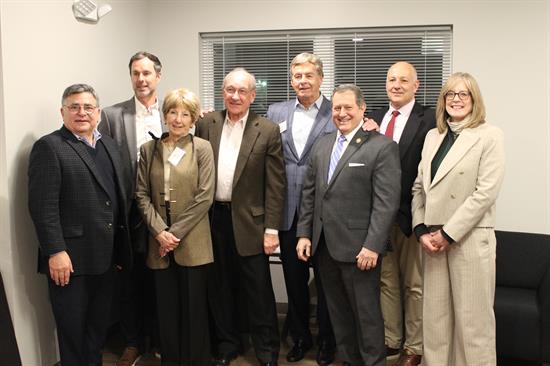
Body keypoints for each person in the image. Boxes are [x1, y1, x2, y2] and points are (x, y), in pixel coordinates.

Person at [297, 84, 401, 366]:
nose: (341, 114)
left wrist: (372, 246)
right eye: (337, 108)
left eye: (348, 108)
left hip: (360, 251)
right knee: (339, 315)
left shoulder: (381, 147)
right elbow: (310, 194)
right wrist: (304, 234)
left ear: (362, 108)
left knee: (366, 317)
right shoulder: (322, 145)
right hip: (324, 248)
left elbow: (386, 204)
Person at [28, 84, 132, 366]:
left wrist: (122, 250)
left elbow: (119, 198)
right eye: (74, 107)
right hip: (69, 262)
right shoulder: (49, 147)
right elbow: (42, 207)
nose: (81, 112)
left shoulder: (109, 144)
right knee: (72, 333)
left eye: (88, 107)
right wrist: (55, 251)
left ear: (98, 112)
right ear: (62, 112)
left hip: (106, 259)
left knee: (97, 331)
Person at [411, 72, 505, 366]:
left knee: (473, 323)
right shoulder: (433, 136)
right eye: (450, 94)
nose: (456, 100)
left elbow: (485, 193)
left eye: (463, 94)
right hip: (432, 241)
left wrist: (448, 233)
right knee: (436, 322)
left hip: (469, 238)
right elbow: (419, 187)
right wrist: (421, 229)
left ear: (474, 100)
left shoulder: (490, 135)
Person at [195, 67, 285, 366]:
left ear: (252, 95)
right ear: (223, 92)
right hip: (213, 220)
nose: (235, 96)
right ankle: (228, 344)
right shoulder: (207, 123)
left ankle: (267, 350)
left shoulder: (267, 130)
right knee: (219, 288)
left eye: (241, 91)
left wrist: (272, 229)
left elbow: (275, 185)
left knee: (258, 291)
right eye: (230, 90)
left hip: (252, 223)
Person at [135, 88, 215, 365]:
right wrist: (160, 232)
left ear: (193, 119)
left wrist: (175, 234)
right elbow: (141, 194)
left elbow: (205, 196)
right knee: (166, 308)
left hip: (192, 238)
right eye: (173, 112)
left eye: (185, 114)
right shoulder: (149, 149)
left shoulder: (202, 148)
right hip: (158, 239)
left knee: (194, 308)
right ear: (165, 114)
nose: (178, 119)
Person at [265, 52, 336, 365]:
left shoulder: (338, 110)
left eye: (309, 75)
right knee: (293, 281)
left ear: (320, 77)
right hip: (287, 210)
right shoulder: (276, 111)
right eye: (297, 76)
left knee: (325, 282)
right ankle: (299, 337)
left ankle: (327, 341)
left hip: (323, 212)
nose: (303, 81)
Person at [367, 61, 435, 366]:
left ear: (416, 85)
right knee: (386, 280)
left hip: (412, 215)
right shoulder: (375, 118)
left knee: (415, 284)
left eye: (403, 80)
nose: (396, 85)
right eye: (391, 79)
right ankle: (391, 340)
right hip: (377, 216)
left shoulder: (431, 118)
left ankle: (414, 346)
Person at [99, 51, 165, 365]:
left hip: (165, 212)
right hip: (127, 213)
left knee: (162, 280)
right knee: (129, 280)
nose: (141, 79)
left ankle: (161, 338)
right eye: (136, 73)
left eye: (147, 73)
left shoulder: (173, 111)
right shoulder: (112, 115)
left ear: (158, 77)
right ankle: (133, 341)